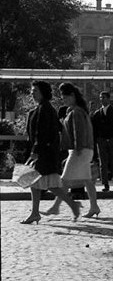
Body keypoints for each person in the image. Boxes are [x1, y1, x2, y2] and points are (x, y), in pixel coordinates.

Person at [20, 81, 81, 224]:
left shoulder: (45, 109)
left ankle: (38, 213)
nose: (32, 93)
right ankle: (37, 212)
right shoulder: (43, 108)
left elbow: (42, 133)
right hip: (45, 153)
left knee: (43, 183)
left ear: (42, 92)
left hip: (44, 154)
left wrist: (36, 151)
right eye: (32, 91)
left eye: (35, 91)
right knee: (42, 184)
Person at [45, 83, 100, 218]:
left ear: (72, 96)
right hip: (85, 149)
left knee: (64, 180)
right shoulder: (78, 110)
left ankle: (55, 207)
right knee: (87, 180)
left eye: (65, 97)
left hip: (79, 150)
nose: (63, 100)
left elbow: (78, 131)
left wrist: (77, 148)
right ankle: (94, 206)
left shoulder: (76, 112)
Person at [91, 91, 113, 195]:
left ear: (108, 99)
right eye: (101, 97)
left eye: (104, 97)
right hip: (102, 140)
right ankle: (105, 184)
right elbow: (94, 129)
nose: (102, 99)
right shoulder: (97, 113)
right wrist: (96, 140)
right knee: (103, 163)